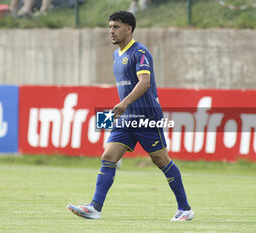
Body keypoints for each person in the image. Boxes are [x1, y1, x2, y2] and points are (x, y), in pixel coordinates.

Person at [67, 11, 194, 222]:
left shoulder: (140, 52)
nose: (111, 31)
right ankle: (95, 208)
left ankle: (185, 209)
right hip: (126, 118)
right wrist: (123, 107)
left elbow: (144, 83)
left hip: (146, 116)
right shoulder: (117, 55)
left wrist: (124, 103)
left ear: (129, 28)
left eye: (116, 27)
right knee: (108, 156)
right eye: (109, 27)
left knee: (161, 160)